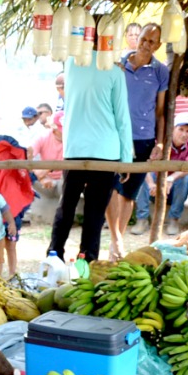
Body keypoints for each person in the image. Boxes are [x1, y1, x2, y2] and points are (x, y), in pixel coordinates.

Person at [46, 58, 133, 262]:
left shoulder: (71, 64)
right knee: (94, 211)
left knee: (66, 206)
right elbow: (122, 117)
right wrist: (126, 159)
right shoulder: (115, 71)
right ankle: (87, 259)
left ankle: (54, 255)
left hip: (75, 148)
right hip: (106, 151)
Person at [107, 22, 168, 259]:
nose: (145, 44)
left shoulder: (160, 71)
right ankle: (116, 239)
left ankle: (116, 248)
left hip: (144, 138)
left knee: (128, 194)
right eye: (143, 39)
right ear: (136, 38)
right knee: (111, 188)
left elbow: (160, 112)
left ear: (158, 45)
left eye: (152, 42)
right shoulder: (118, 64)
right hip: (114, 136)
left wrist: (160, 143)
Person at [140, 114, 188, 235]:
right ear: (172, 129)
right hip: (154, 189)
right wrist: (152, 184)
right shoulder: (159, 145)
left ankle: (173, 219)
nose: (184, 134)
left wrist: (171, 179)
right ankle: (142, 219)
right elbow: (146, 165)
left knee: (185, 179)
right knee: (143, 177)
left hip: (174, 190)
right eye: (181, 129)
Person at [32, 115, 64, 193]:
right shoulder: (42, 137)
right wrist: (42, 177)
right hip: (46, 176)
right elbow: (28, 158)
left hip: (67, 178)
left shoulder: (75, 140)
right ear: (54, 129)